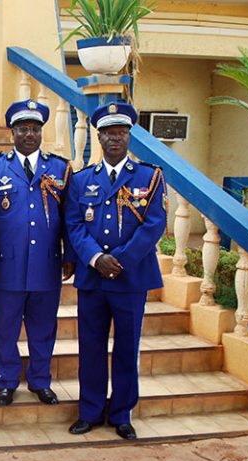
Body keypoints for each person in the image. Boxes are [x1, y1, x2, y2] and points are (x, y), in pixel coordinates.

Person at [64, 102, 167, 440]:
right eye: (108, 133)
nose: (114, 139)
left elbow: (154, 225)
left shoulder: (149, 177)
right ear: (98, 136)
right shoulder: (81, 180)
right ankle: (90, 411)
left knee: (126, 347)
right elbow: (74, 225)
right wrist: (96, 258)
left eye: (120, 132)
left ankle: (122, 413)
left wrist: (119, 259)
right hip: (93, 278)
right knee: (90, 347)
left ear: (129, 136)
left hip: (131, 277)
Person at [0, 99, 76, 407]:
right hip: (7, 266)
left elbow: (69, 217)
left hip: (46, 265)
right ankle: (6, 381)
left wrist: (70, 254)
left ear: (41, 133)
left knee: (43, 328)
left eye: (35, 129)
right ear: (12, 132)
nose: (29, 135)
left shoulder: (60, 169)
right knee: (5, 328)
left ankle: (39, 380)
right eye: (23, 129)